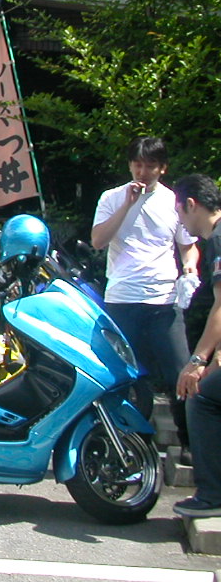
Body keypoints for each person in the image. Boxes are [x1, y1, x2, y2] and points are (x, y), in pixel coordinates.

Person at [91, 136, 197, 443]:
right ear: (129, 165)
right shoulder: (112, 198)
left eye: (150, 166)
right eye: (137, 165)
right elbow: (98, 240)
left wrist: (190, 268)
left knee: (179, 369)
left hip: (164, 300)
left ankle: (188, 440)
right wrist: (127, 204)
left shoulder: (173, 201)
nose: (142, 172)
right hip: (122, 299)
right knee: (125, 375)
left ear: (162, 168)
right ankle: (130, 441)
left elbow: (188, 246)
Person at [174, 174, 221, 517]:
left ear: (192, 205)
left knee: (200, 398)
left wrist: (197, 360)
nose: (181, 221)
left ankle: (212, 495)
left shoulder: (218, 239)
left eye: (180, 212)